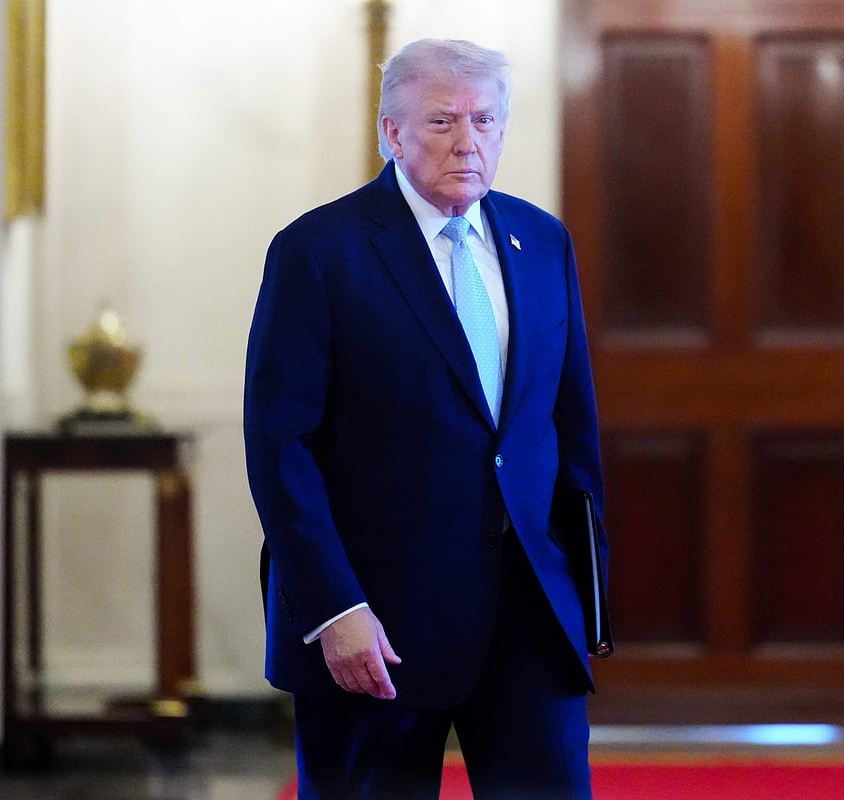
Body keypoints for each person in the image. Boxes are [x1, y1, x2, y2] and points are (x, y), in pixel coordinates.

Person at [244, 37, 608, 800]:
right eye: (442, 121)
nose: (467, 141)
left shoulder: (541, 242)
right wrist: (334, 607)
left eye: (485, 120)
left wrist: (583, 588)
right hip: (376, 625)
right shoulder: (320, 252)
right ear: (392, 133)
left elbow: (569, 430)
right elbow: (281, 447)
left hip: (528, 617)